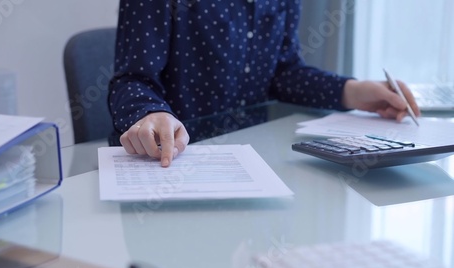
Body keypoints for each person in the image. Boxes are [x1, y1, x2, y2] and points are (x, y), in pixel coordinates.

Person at [108, 0, 420, 167]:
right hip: (169, 163)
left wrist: (352, 92)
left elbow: (282, 72)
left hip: (251, 162)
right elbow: (131, 79)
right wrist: (149, 112)